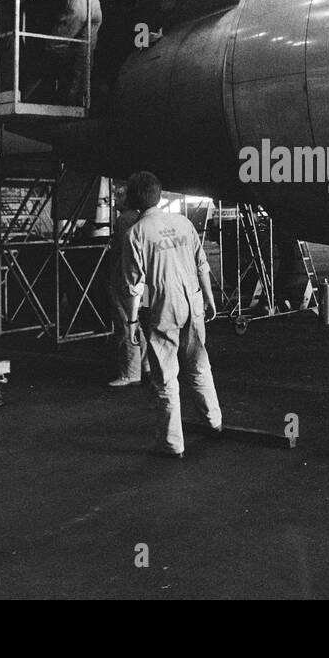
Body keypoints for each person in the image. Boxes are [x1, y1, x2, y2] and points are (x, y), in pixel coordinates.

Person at [120, 171, 221, 458]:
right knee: (199, 366)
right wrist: (210, 299)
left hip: (164, 308)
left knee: (166, 378)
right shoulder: (183, 223)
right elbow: (202, 264)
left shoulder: (136, 234)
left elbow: (133, 286)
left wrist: (130, 322)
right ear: (159, 195)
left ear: (134, 200)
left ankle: (172, 443)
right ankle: (214, 421)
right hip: (194, 302)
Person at [22, 0, 114, 108]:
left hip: (78, 5)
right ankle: (76, 98)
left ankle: (64, 77)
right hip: (95, 10)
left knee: (54, 45)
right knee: (85, 55)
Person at [107, 183, 149, 388]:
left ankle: (130, 373)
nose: (115, 200)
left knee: (125, 324)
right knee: (142, 322)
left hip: (125, 280)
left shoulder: (124, 220)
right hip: (144, 280)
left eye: (118, 196)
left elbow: (124, 252)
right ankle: (146, 365)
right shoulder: (143, 218)